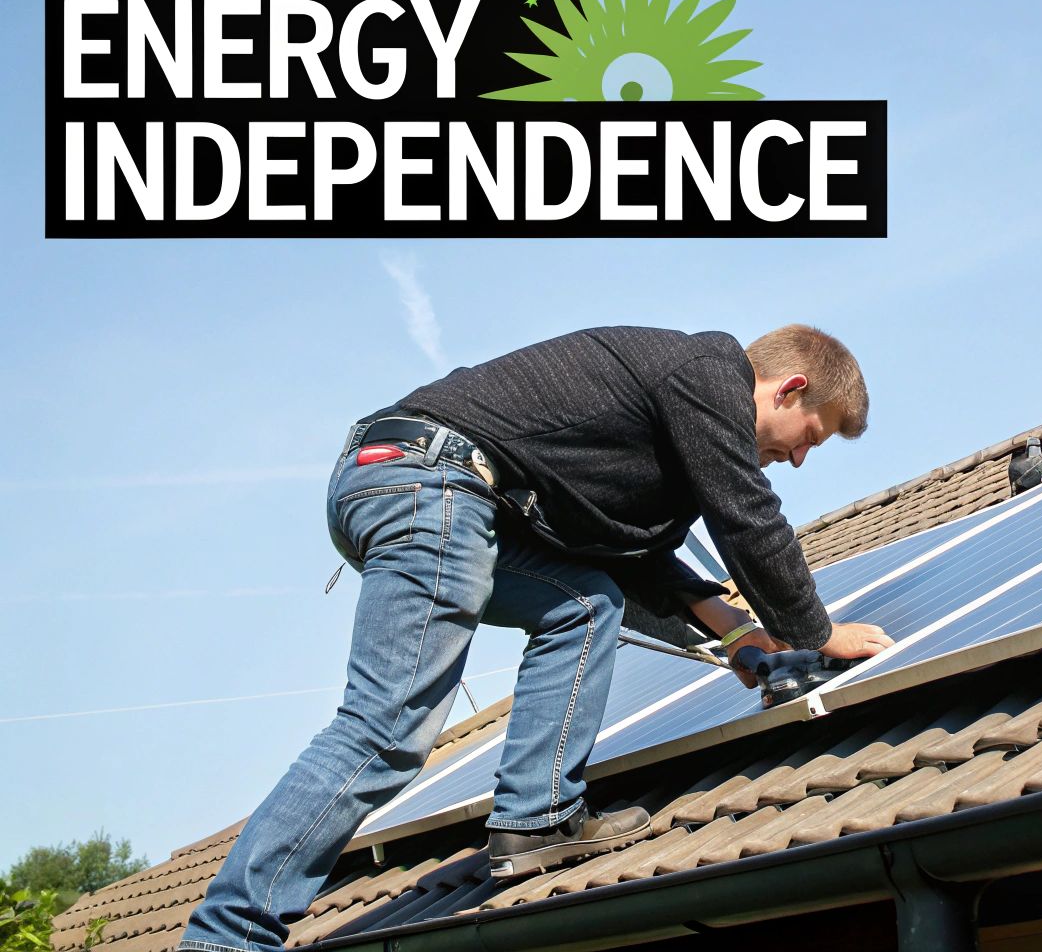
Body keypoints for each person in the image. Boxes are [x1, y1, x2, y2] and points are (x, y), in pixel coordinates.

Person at [177, 324, 893, 952]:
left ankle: (537, 820)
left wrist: (741, 635)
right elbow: (747, 517)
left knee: (584, 602)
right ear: (789, 388)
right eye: (812, 436)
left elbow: (633, 562)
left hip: (415, 480)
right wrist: (816, 631)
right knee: (387, 728)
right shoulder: (708, 371)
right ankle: (227, 935)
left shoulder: (667, 435)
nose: (799, 459)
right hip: (431, 481)